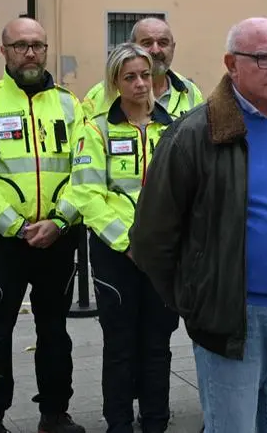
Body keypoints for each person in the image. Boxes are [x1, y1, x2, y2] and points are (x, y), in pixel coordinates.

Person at [129, 17, 267, 433]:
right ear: (230, 64)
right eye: (263, 58)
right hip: (234, 317)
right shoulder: (193, 135)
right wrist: (198, 299)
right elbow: (151, 240)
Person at [0, 18, 86, 433]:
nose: (31, 53)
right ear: (3, 52)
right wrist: (17, 226)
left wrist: (60, 220)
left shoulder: (71, 106)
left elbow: (85, 172)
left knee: (54, 329)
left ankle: (54, 413)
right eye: (21, 46)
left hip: (58, 236)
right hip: (5, 241)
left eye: (38, 45)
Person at [59, 43, 179, 433]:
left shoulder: (173, 127)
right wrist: (126, 243)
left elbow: (186, 188)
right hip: (117, 255)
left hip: (162, 253)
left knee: (159, 341)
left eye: (145, 75)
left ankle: (156, 420)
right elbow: (87, 194)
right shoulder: (95, 129)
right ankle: (119, 423)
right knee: (121, 342)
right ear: (115, 82)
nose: (140, 84)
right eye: (130, 77)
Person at [83, 17, 204, 117]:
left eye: (163, 43)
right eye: (147, 43)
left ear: (173, 48)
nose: (156, 50)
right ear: (132, 47)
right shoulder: (98, 97)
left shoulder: (190, 92)